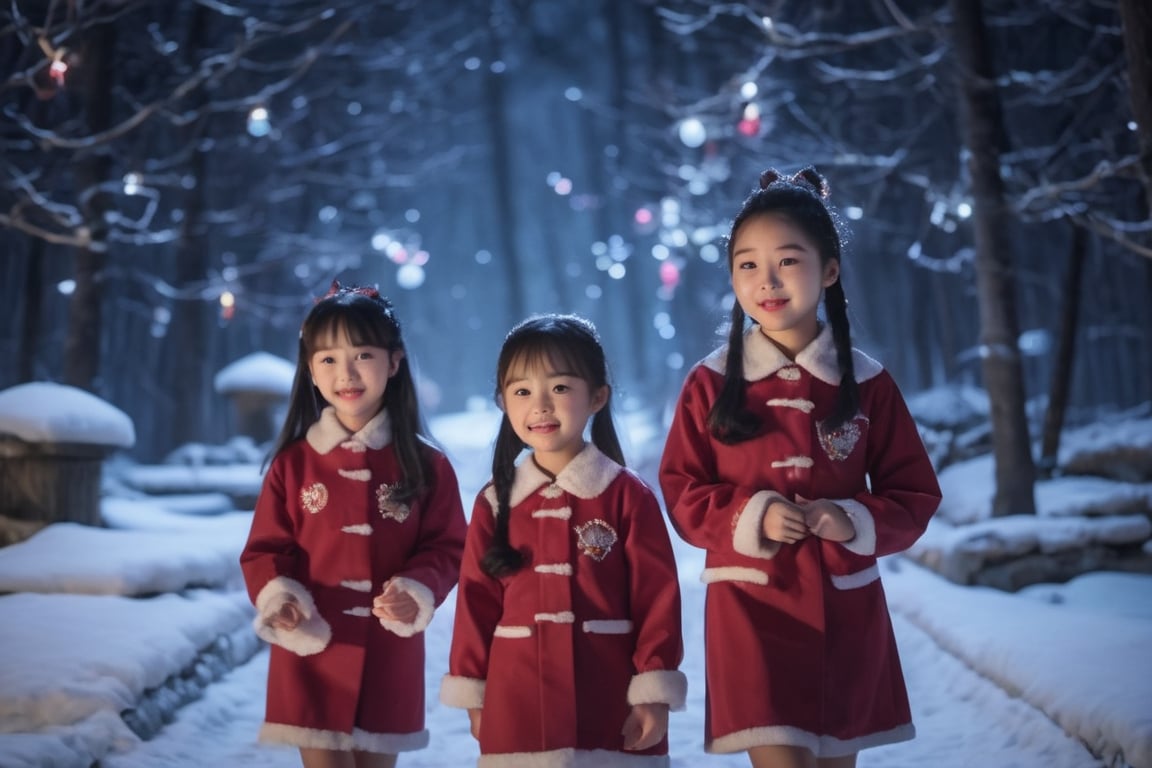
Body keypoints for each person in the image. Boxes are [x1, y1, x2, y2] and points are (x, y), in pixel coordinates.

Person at [658, 168, 942, 768]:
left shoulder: (868, 383)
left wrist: (851, 518)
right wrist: (751, 514)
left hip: (846, 606)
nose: (767, 281)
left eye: (788, 261)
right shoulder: (709, 384)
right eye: (748, 265)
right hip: (750, 608)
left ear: (830, 270)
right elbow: (682, 489)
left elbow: (914, 492)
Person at [440, 314, 687, 767]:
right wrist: (474, 693)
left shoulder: (627, 496)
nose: (540, 406)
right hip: (516, 699)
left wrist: (652, 691)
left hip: (610, 694)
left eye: (559, 388)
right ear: (502, 401)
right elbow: (475, 605)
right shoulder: (495, 503)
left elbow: (657, 601)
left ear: (597, 396)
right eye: (521, 391)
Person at [240, 281, 467, 768]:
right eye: (328, 359)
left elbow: (449, 547)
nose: (346, 373)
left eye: (362, 354)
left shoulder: (428, 466)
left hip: (390, 652)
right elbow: (264, 550)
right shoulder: (292, 465)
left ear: (395, 361)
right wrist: (280, 599)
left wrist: (417, 588)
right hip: (311, 646)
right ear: (309, 370)